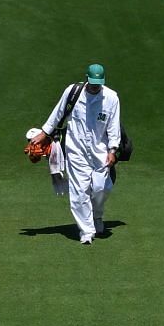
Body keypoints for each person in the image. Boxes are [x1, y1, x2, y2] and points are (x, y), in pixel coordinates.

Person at [39, 64, 121, 246]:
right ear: (86, 79)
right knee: (79, 192)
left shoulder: (111, 98)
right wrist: (44, 133)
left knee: (101, 188)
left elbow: (114, 127)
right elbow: (58, 113)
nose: (94, 87)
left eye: (98, 84)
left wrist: (113, 150)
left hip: (100, 151)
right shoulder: (73, 92)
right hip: (75, 150)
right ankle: (86, 230)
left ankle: (97, 216)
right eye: (92, 84)